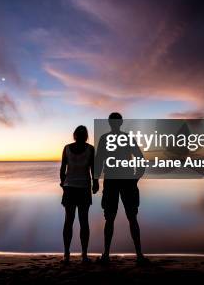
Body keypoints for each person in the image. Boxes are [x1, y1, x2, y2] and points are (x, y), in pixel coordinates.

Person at [95, 112, 150, 266]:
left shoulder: (115, 138)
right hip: (116, 180)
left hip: (122, 180)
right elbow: (99, 160)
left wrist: (136, 178)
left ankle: (136, 255)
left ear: (117, 123)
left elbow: (140, 159)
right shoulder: (110, 138)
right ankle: (110, 254)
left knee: (128, 217)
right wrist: (95, 180)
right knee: (114, 218)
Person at [59, 125, 99, 264]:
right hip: (79, 188)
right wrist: (95, 183)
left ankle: (68, 254)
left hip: (73, 188)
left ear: (74, 135)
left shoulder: (69, 148)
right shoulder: (89, 149)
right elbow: (94, 169)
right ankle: (81, 255)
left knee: (70, 221)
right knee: (81, 222)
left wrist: (62, 182)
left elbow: (63, 168)